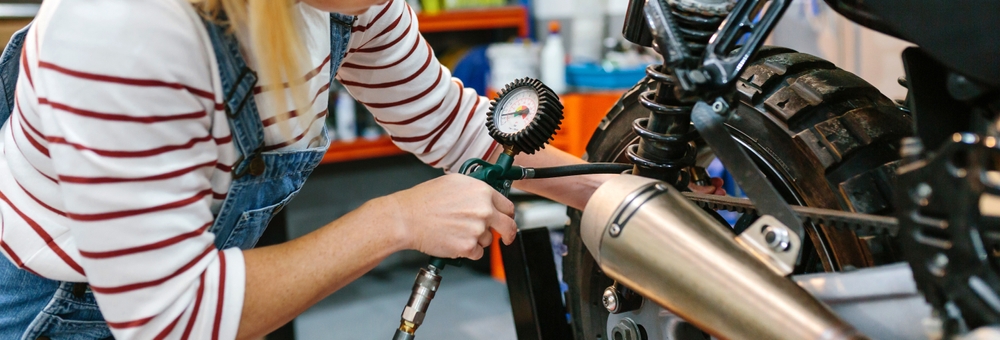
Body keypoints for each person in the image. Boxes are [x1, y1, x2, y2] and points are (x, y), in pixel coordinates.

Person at [0, 0, 724, 339]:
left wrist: (632, 200)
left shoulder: (350, 1)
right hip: (61, 308)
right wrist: (397, 220)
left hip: (195, 284)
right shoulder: (128, 31)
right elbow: (168, 316)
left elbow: (451, 121)